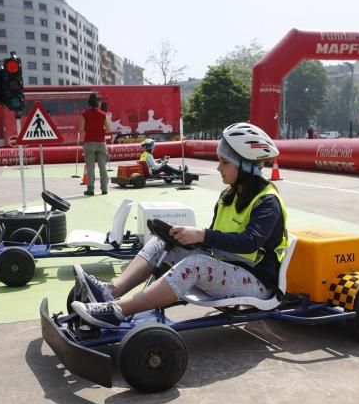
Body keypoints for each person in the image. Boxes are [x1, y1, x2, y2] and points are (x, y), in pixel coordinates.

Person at [71, 122, 289, 328]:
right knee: (161, 243)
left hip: (258, 282)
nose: (218, 167)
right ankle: (109, 292)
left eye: (224, 162)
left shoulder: (267, 202)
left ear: (245, 165)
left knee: (195, 264)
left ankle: (117, 311)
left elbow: (250, 242)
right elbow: (216, 239)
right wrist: (184, 238)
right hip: (227, 270)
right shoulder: (229, 195)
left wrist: (201, 235)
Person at [78, 93, 110, 195]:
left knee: (90, 168)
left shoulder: (84, 114)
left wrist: (89, 128)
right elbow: (108, 129)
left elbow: (81, 129)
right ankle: (104, 189)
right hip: (101, 143)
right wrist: (101, 130)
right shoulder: (103, 114)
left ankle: (91, 190)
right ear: (98, 103)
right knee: (103, 167)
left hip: (89, 143)